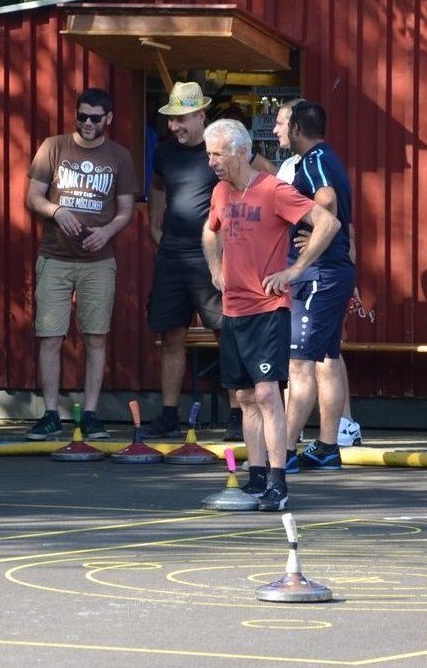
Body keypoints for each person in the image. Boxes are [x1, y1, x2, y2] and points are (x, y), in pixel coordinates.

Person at [202, 119, 340, 511]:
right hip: (234, 310)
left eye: (218, 154)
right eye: (208, 154)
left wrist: (295, 271)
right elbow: (210, 230)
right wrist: (215, 268)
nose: (212, 161)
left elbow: (327, 222)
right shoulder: (220, 192)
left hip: (268, 308)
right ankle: (257, 477)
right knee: (244, 395)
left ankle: (278, 482)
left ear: (242, 152)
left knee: (266, 393)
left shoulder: (274, 190)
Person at [24, 87, 138, 441]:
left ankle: (90, 414)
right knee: (50, 336)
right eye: (82, 116)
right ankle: (50, 413)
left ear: (109, 119)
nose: (87, 123)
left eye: (95, 118)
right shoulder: (53, 146)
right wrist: (57, 211)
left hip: (98, 260)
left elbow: (126, 210)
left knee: (96, 336)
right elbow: (32, 197)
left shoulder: (119, 156)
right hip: (55, 256)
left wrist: (106, 232)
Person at [273, 100, 363, 452]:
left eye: (283, 124)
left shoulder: (313, 162)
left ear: (297, 129)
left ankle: (286, 447)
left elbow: (326, 202)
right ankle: (327, 447)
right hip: (331, 273)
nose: (278, 129)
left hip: (317, 275)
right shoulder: (327, 157)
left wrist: (313, 243)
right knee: (326, 358)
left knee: (299, 363)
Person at [143, 82, 229, 439]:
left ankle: (239, 415)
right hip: (172, 254)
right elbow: (159, 188)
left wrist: (231, 238)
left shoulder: (220, 151)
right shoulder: (164, 153)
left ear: (200, 115)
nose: (175, 127)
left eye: (181, 120)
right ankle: (168, 415)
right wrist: (154, 226)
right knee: (171, 334)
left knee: (226, 333)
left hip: (210, 256)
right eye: (171, 120)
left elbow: (260, 177)